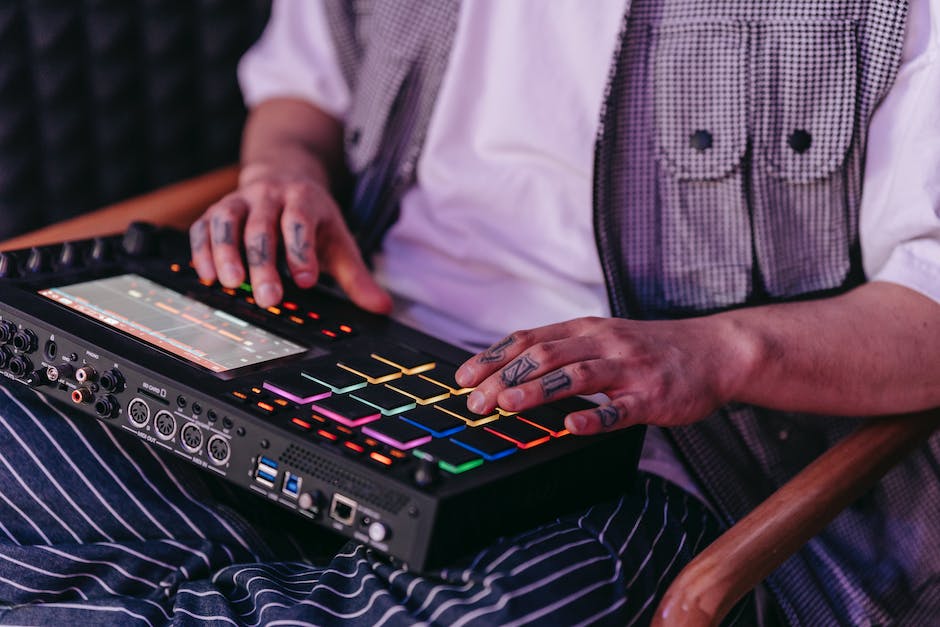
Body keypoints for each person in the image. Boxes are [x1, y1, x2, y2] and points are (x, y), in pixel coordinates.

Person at [0, 0, 938, 625]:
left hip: (641, 458)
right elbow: (301, 87)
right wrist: (280, 172)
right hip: (331, 341)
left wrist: (714, 352)